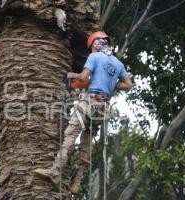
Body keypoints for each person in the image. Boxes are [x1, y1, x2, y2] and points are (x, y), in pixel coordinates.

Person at [33, 31, 132, 193]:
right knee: (86, 144)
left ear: (95, 45)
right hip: (103, 108)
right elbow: (128, 85)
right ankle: (77, 183)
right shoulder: (117, 63)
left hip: (89, 103)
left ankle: (55, 172)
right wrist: (111, 83)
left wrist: (70, 75)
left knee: (70, 135)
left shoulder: (94, 57)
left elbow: (83, 77)